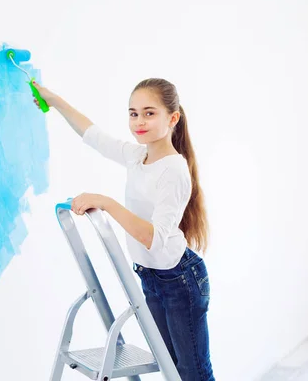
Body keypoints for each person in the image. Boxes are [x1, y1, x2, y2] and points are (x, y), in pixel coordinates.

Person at [32, 78, 215, 380]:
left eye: (149, 113)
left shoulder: (173, 169)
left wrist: (106, 202)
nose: (139, 121)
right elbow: (93, 134)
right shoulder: (136, 156)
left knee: (192, 373)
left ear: (173, 118)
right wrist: (54, 100)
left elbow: (152, 238)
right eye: (133, 113)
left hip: (179, 280)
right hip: (150, 276)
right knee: (170, 368)